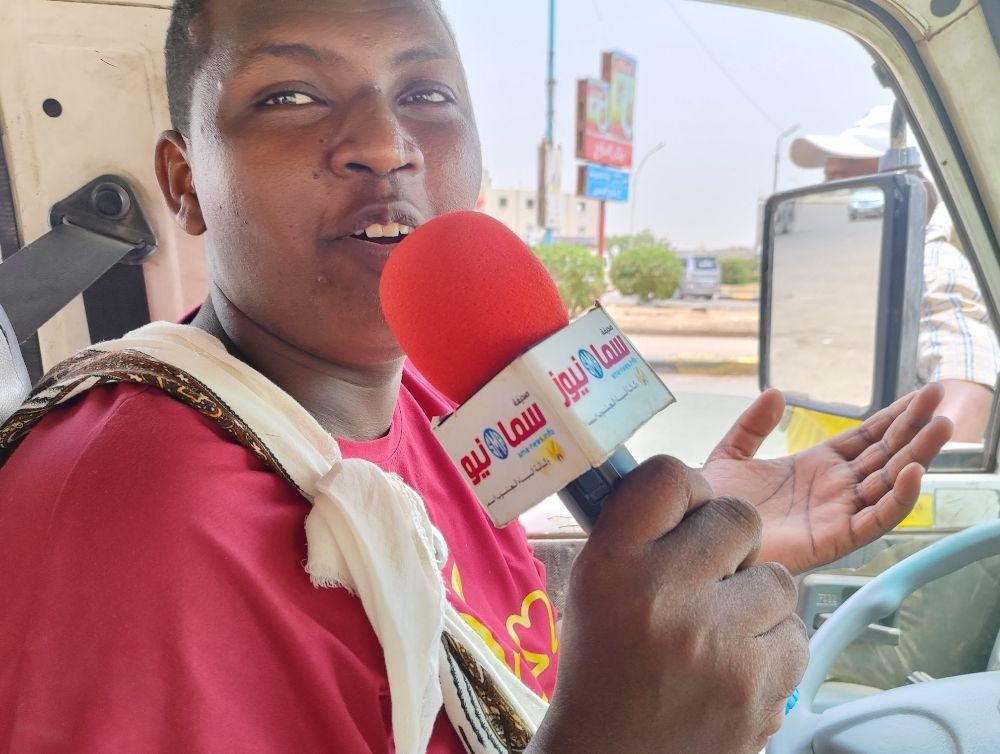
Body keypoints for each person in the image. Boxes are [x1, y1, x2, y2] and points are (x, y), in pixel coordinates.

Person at [0, 2, 953, 752]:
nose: (387, 142)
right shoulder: (123, 516)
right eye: (289, 95)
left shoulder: (450, 401)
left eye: (426, 94)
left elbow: (486, 632)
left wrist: (679, 558)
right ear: (184, 183)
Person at [789, 104, 1000, 444]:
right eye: (830, 182)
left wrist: (887, 472)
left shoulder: (928, 266)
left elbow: (967, 398)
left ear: (918, 191)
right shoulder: (864, 269)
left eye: (849, 183)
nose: (832, 199)